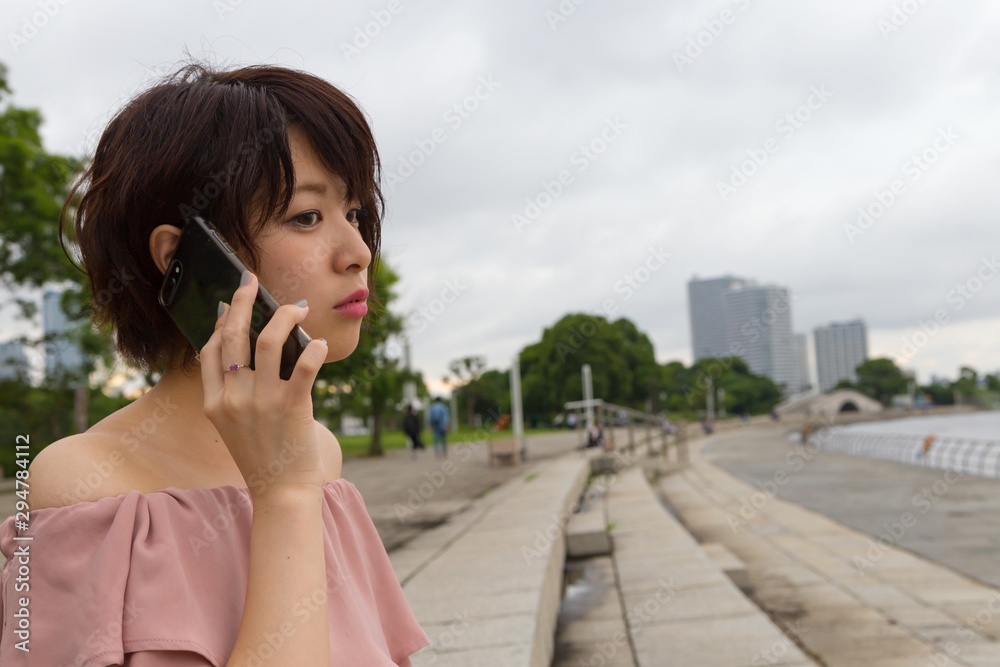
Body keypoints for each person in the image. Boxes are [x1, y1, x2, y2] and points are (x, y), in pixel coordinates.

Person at [0, 63, 430, 665]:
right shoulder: (84, 487)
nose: (358, 252)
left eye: (354, 213)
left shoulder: (319, 454)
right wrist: (281, 495)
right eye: (306, 216)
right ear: (185, 257)